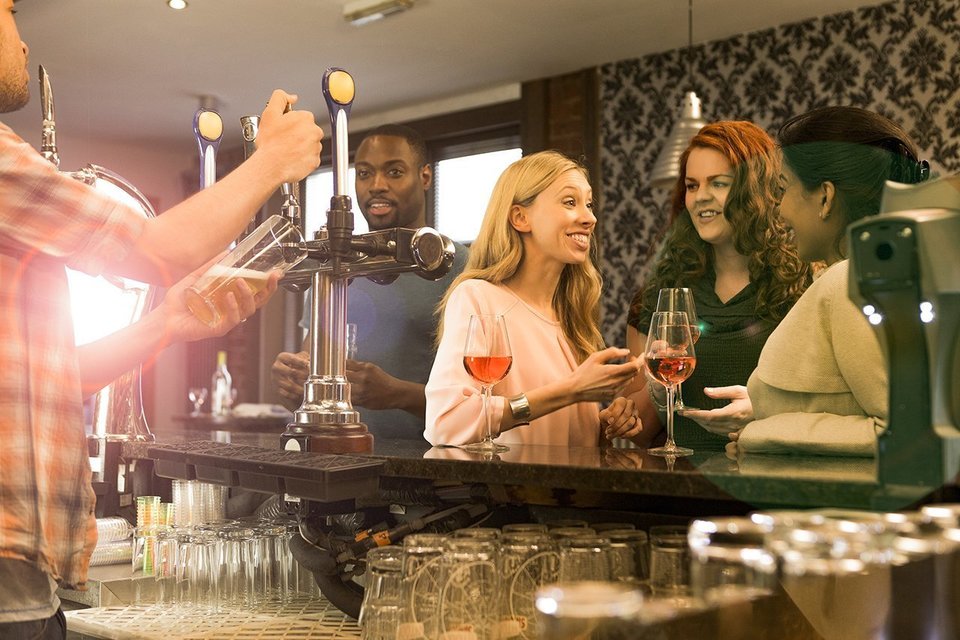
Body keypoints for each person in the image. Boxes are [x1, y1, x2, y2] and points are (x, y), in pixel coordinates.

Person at [0, 3, 324, 636]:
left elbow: (50, 382)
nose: (22, 42)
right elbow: (158, 249)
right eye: (10, 12)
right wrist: (270, 161)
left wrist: (167, 323)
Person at [682, 106, 929, 456]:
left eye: (784, 189)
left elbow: (904, 429)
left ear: (825, 198)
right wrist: (764, 408)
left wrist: (762, 432)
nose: (779, 209)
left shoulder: (848, 281)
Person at [425, 150, 642, 448]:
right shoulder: (478, 297)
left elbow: (555, 436)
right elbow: (446, 423)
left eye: (589, 204)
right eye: (570, 202)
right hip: (512, 494)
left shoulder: (569, 315)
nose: (589, 217)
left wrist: (603, 425)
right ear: (520, 217)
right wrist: (571, 390)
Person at [271, 124, 469, 439]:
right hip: (337, 462)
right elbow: (311, 365)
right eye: (364, 174)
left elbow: (483, 399)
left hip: (427, 469)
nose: (376, 185)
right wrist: (294, 383)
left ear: (425, 177)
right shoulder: (333, 265)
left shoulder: (460, 267)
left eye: (394, 172)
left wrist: (397, 394)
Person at [624, 121, 810, 452]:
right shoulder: (660, 295)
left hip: (774, 481)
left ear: (756, 190)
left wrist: (765, 410)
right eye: (692, 186)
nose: (700, 198)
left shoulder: (806, 283)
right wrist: (624, 412)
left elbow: (829, 407)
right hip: (677, 487)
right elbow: (639, 431)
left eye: (719, 184)